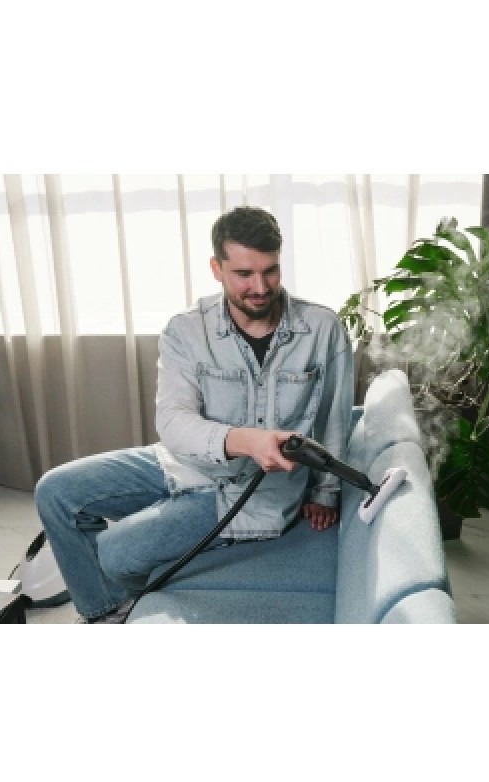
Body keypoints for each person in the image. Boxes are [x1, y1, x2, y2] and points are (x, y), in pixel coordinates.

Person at [34, 206, 354, 622]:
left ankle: (112, 602)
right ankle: (105, 611)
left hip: (254, 495)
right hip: (183, 464)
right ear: (216, 269)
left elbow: (334, 418)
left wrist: (325, 492)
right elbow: (173, 422)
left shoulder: (323, 329)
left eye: (270, 271)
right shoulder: (186, 330)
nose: (260, 287)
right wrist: (246, 440)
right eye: (243, 274)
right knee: (55, 491)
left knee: (113, 554)